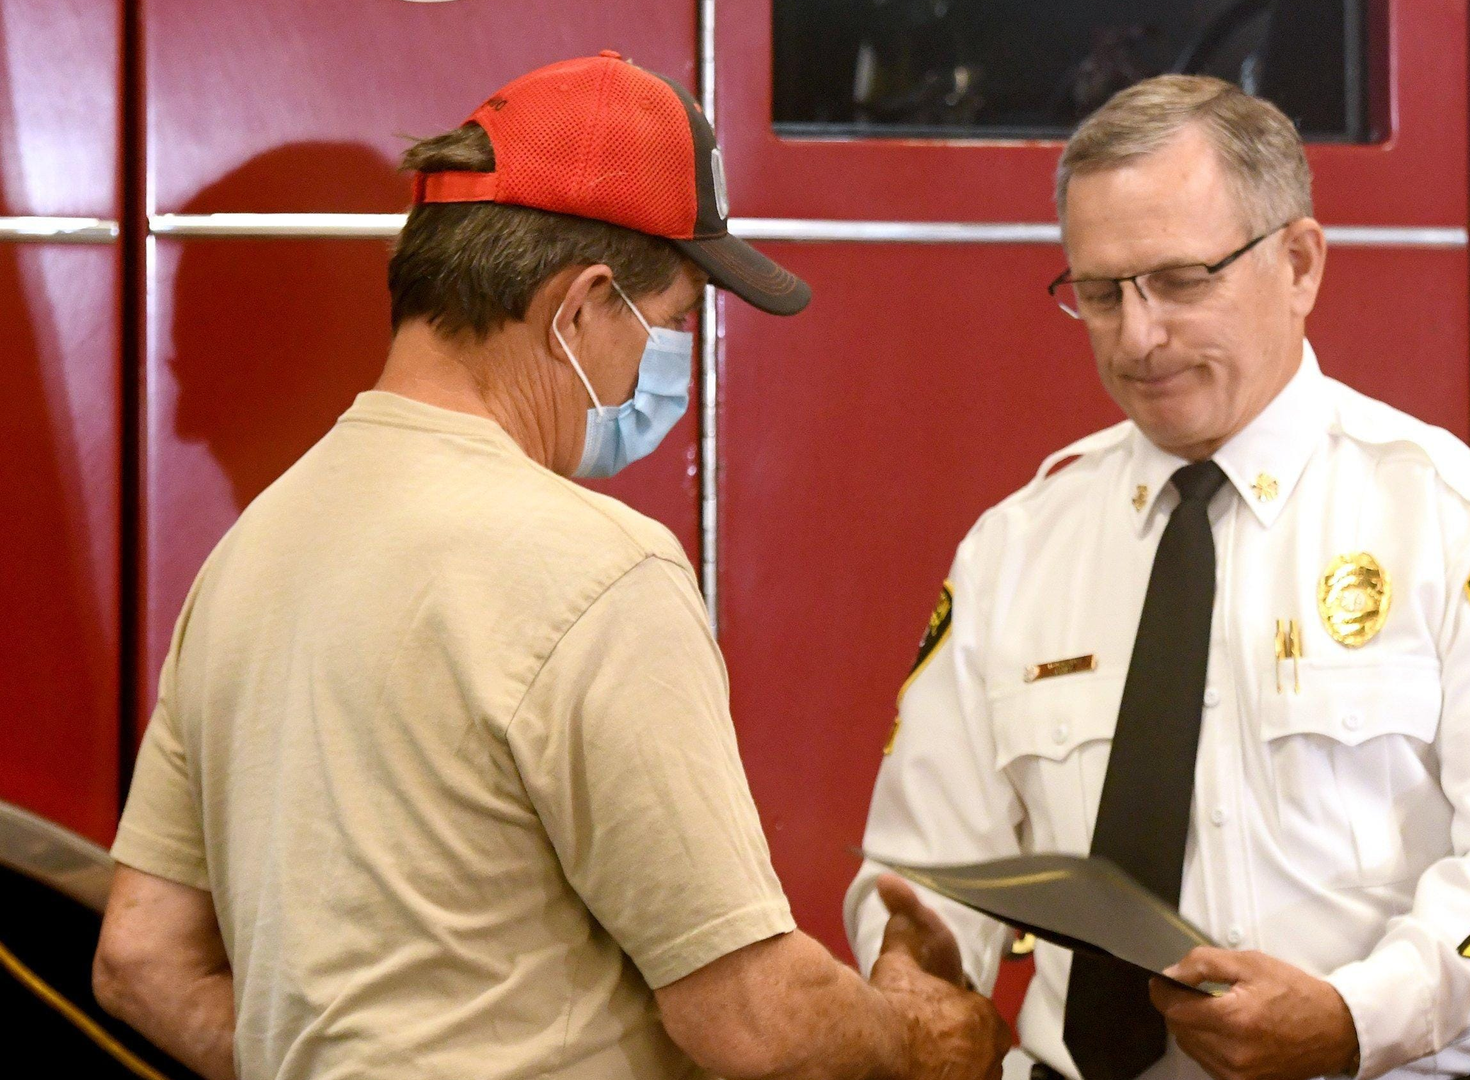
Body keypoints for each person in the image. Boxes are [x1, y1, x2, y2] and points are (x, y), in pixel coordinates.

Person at [92, 52, 1009, 1080]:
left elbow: (141, 960)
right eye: (673, 325)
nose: (669, 370)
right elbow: (758, 1023)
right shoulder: (598, 571)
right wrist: (928, 1042)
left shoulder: (253, 552)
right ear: (582, 308)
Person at [846, 75, 1470, 1080]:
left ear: (1298, 263)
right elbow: (918, 867)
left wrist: (1354, 1017)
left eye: (1180, 281)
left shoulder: (1458, 526)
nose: (1137, 338)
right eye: (1099, 292)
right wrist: (909, 967)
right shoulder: (1016, 549)